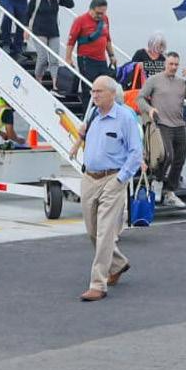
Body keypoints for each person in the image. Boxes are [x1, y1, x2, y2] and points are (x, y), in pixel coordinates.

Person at [67, 76, 144, 302]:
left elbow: (135, 152)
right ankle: (118, 263)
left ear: (112, 94)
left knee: (105, 232)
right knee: (92, 230)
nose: (94, 95)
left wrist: (121, 178)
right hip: (90, 178)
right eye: (93, 91)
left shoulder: (125, 118)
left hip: (113, 179)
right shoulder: (93, 114)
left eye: (99, 91)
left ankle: (98, 284)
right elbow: (84, 136)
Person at [137, 51, 186, 207]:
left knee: (180, 158)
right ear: (165, 64)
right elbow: (140, 98)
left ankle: (169, 191)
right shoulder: (154, 80)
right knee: (167, 155)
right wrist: (149, 109)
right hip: (162, 123)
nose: (173, 67)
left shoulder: (182, 83)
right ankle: (157, 182)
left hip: (179, 124)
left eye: (176, 64)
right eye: (171, 64)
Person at [26, 0, 74, 88]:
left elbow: (71, 4)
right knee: (43, 58)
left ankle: (55, 84)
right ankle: (38, 78)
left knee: (54, 59)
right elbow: (28, 13)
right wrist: (26, 29)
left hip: (53, 32)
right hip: (39, 31)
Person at [64, 0, 117, 83]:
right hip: (86, 59)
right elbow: (71, 41)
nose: (100, 16)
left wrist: (111, 55)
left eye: (102, 13)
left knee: (103, 84)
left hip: (102, 59)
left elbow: (107, 38)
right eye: (98, 13)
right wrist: (68, 58)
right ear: (91, 9)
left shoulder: (105, 19)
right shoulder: (80, 20)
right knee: (88, 85)